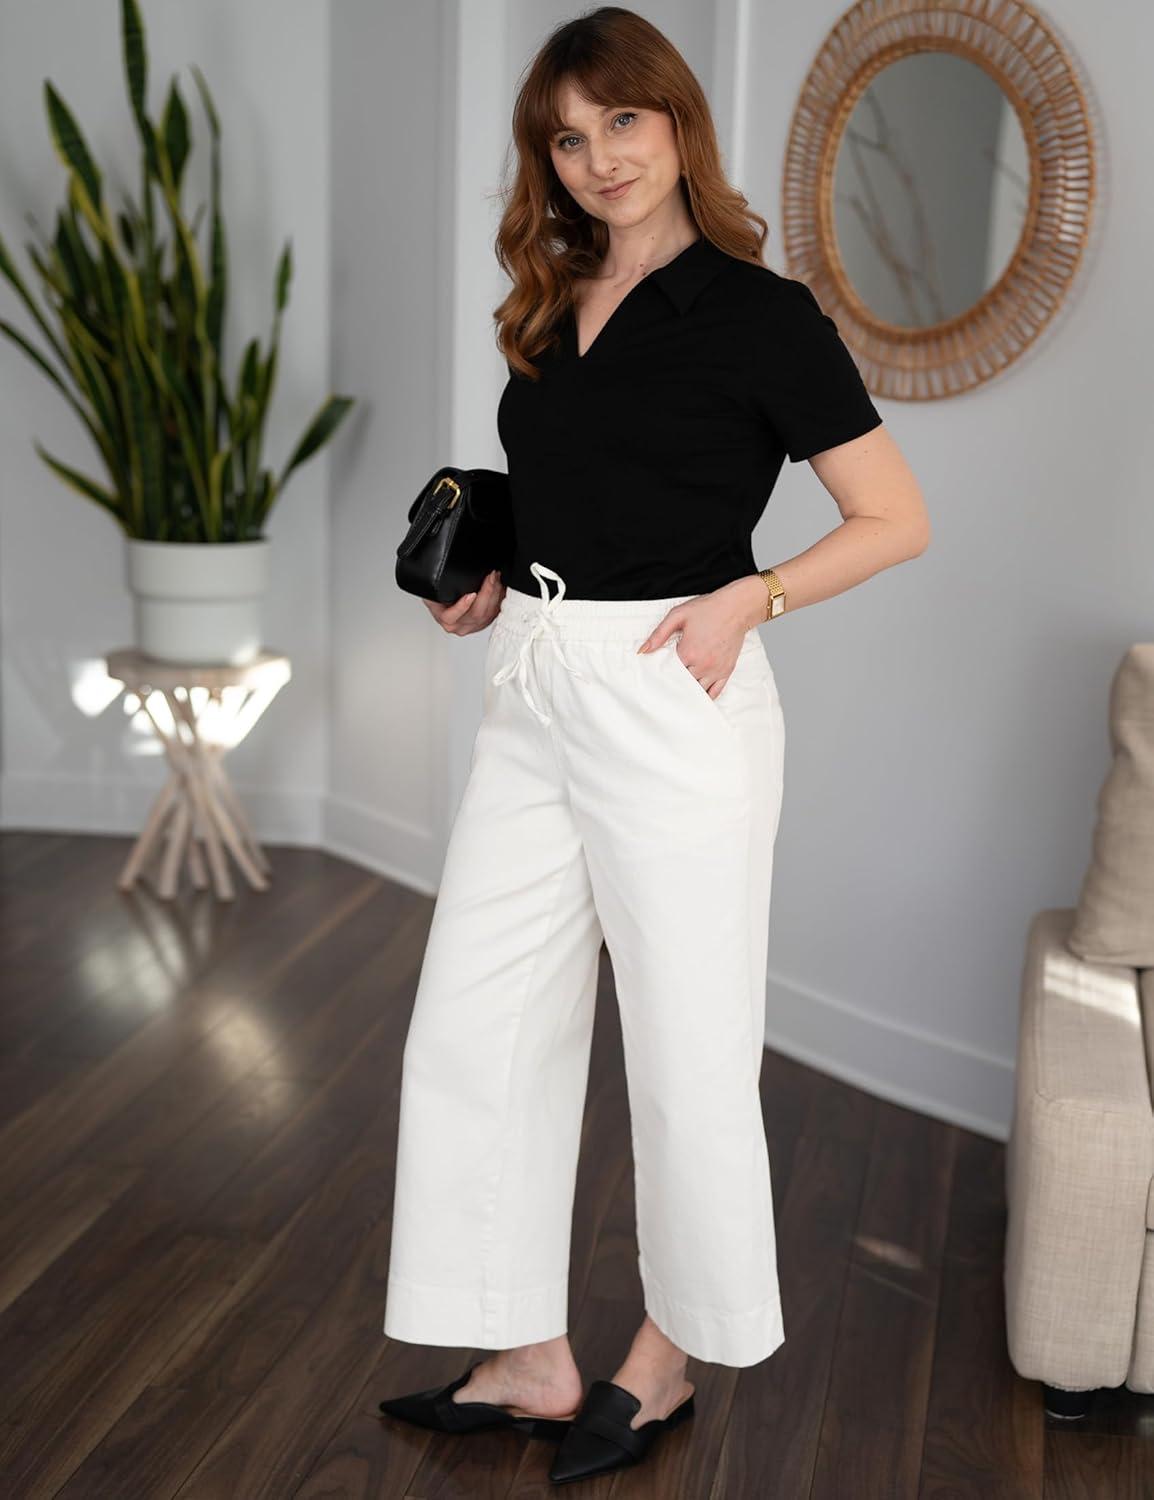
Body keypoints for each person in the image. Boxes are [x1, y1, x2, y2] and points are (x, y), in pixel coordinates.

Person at [378, 6, 929, 1485]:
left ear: (676, 121)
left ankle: (670, 1354)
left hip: (674, 694)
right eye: (568, 136)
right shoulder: (549, 301)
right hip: (533, 678)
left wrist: (749, 599)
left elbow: (894, 518)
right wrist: (491, 580)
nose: (599, 157)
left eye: (622, 120)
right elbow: (587, 487)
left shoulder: (760, 315)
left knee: (687, 1048)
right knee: (477, 1022)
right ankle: (524, 1354)